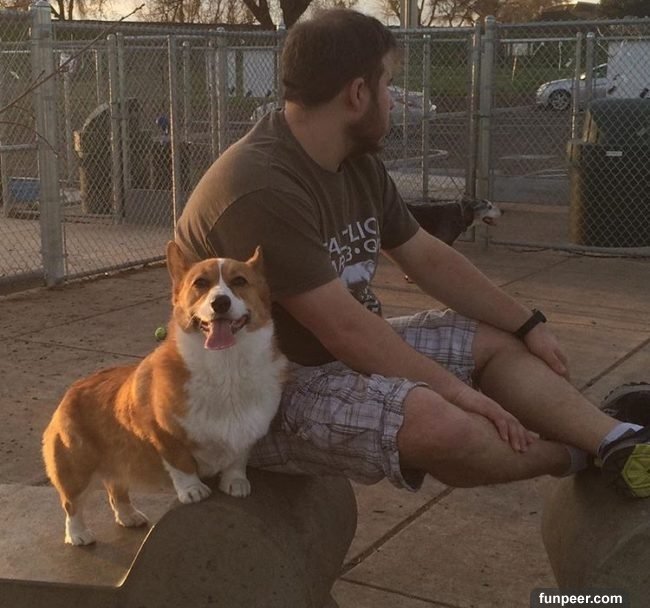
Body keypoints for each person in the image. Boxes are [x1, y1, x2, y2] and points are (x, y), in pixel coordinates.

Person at [175, 9, 650, 498]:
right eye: (388, 84)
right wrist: (459, 393)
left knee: (498, 340)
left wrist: (528, 323)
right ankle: (585, 456)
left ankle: (618, 439)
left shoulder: (352, 160)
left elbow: (427, 257)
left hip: (330, 355)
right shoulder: (261, 186)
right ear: (357, 93)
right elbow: (346, 330)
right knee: (442, 425)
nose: (392, 99)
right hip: (255, 389)